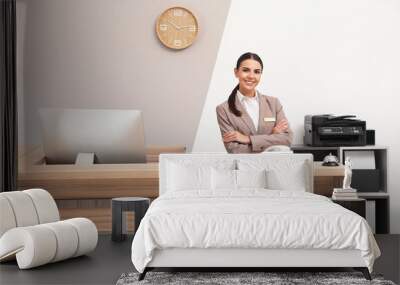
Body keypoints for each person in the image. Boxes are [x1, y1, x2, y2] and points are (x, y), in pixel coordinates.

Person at [216, 52, 293, 153]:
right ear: (236, 72)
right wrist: (272, 136)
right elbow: (235, 150)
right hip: (245, 167)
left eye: (257, 72)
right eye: (246, 70)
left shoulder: (274, 103)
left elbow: (287, 140)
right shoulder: (224, 109)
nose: (251, 76)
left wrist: (247, 139)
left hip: (274, 167)